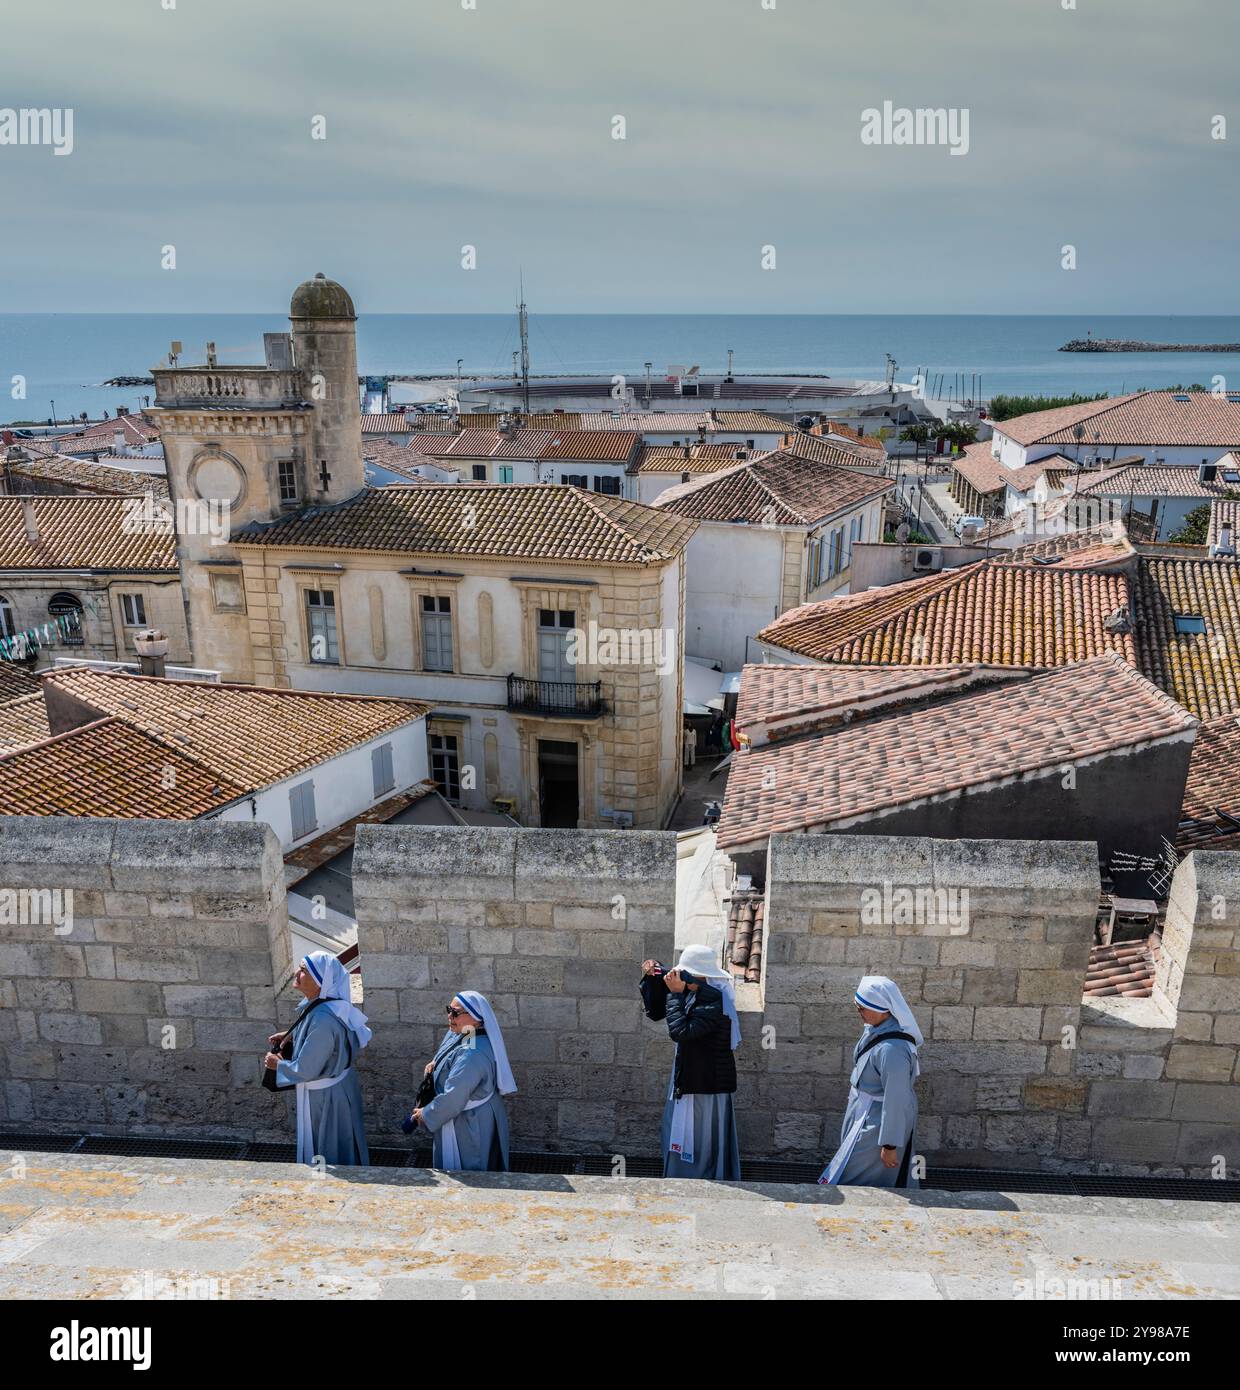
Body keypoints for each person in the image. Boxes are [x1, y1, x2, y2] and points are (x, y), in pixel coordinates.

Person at [640, 944, 740, 1180]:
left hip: (705, 1082)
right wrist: (652, 978)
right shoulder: (694, 992)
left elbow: (681, 1032)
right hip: (688, 1075)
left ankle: (699, 1177)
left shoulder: (717, 1000)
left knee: (700, 1135)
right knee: (680, 1130)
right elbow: (655, 1011)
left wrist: (675, 993)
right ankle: (680, 1174)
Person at [263, 951, 370, 1166]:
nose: (297, 973)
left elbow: (305, 1070)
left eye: (304, 970)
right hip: (337, 1091)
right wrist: (292, 1034)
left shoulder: (323, 1019)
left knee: (330, 1149)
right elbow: (324, 1039)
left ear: (321, 982)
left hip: (325, 1099)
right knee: (341, 1141)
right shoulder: (330, 1006)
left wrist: (278, 1065)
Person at [819, 975, 922, 1189]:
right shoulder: (876, 1029)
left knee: (853, 1175)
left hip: (876, 1124)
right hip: (864, 1113)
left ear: (883, 1009)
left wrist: (889, 1144)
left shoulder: (893, 1050)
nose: (859, 1012)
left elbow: (897, 1098)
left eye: (863, 1008)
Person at [410, 991, 515, 1172]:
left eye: (456, 1013)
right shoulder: (469, 1032)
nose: (450, 1016)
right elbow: (452, 1050)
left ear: (475, 1018)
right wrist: (438, 1063)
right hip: (475, 1114)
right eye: (449, 1010)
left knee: (469, 1169)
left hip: (468, 1123)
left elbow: (453, 1098)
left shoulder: (471, 1054)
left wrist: (426, 1114)